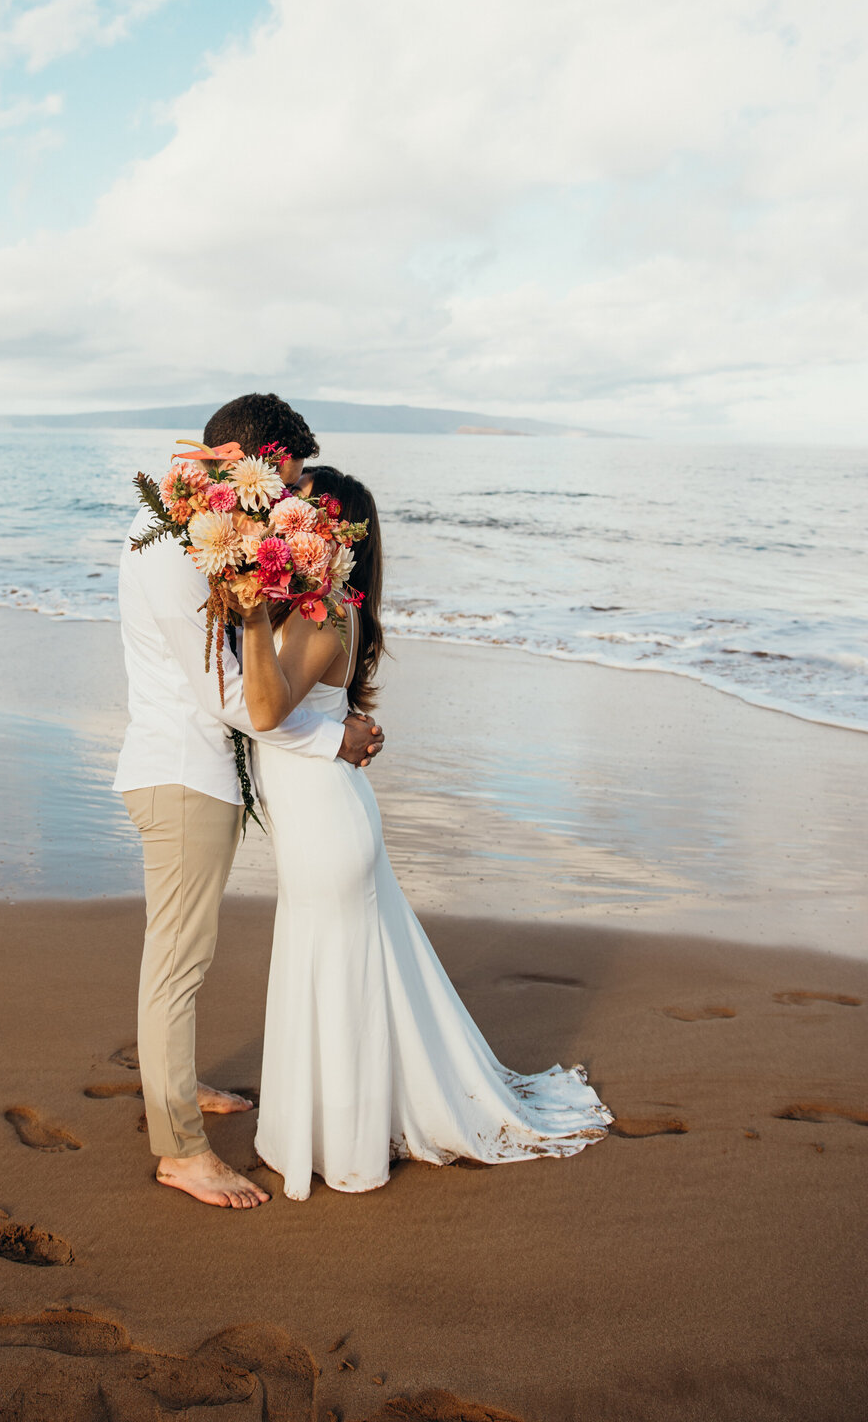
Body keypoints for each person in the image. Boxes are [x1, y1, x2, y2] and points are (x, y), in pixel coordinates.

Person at [236, 464, 612, 1201]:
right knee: (336, 977)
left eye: (297, 514)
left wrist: (247, 606)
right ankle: (331, 1131)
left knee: (339, 984)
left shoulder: (322, 613)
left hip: (328, 825)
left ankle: (349, 1151)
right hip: (323, 816)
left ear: (331, 535)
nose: (281, 522)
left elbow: (262, 710)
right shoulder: (316, 607)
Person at [112, 396, 386, 1209]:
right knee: (178, 963)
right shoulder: (166, 544)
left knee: (183, 956)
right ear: (244, 462)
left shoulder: (196, 531)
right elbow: (228, 693)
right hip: (182, 774)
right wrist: (329, 739)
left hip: (204, 773)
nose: (288, 501)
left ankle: (179, 1083)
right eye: (284, 481)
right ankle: (181, 1152)